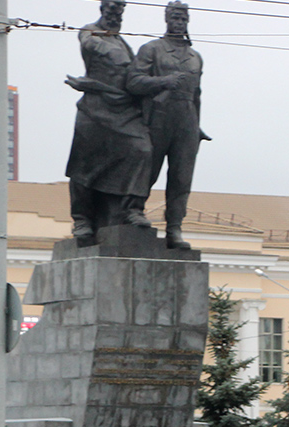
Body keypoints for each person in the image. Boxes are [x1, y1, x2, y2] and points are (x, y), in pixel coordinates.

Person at [65, 0, 154, 245]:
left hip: (124, 109)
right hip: (95, 108)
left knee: (143, 150)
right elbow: (89, 42)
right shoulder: (90, 31)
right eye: (112, 9)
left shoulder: (123, 43)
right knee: (84, 166)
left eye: (120, 10)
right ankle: (82, 219)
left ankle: (132, 209)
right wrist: (111, 52)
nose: (116, 14)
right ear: (103, 9)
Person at [126, 1, 207, 250]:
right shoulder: (152, 49)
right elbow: (133, 82)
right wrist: (163, 81)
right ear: (167, 19)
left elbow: (197, 94)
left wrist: (197, 126)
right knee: (148, 169)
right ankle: (133, 210)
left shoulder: (195, 57)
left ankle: (174, 228)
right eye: (174, 17)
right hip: (158, 117)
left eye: (183, 18)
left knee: (182, 178)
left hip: (186, 120)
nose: (179, 22)